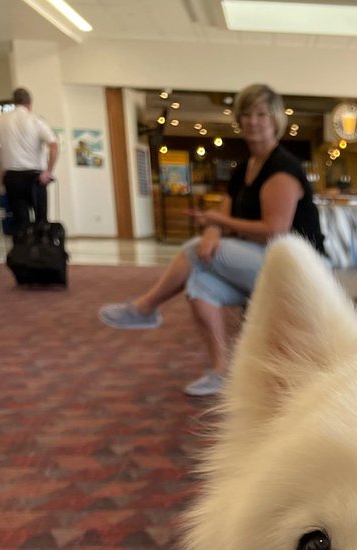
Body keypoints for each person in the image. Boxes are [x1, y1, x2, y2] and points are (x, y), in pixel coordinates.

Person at [99, 82, 325, 398]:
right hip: (263, 259)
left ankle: (146, 306)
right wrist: (212, 231)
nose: (253, 121)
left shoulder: (282, 168)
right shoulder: (246, 167)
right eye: (246, 114)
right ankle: (223, 371)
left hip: (300, 266)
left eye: (261, 113)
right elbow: (226, 209)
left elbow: (275, 231)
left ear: (275, 119)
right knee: (200, 286)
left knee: (192, 252)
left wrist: (216, 223)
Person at [0, 87, 58, 234]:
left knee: (20, 219)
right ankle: (42, 251)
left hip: (12, 176)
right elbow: (54, 146)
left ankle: (22, 252)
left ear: (14, 102)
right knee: (41, 219)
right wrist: (48, 172)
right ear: (29, 104)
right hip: (36, 176)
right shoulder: (36, 120)